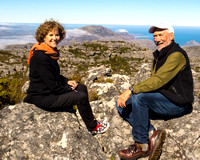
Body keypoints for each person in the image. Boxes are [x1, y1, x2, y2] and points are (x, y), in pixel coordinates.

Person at [116, 23, 194, 160]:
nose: (157, 39)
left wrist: (131, 90)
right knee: (122, 104)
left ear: (171, 36)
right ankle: (152, 133)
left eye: (160, 35)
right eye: (155, 36)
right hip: (163, 98)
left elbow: (158, 80)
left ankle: (142, 145)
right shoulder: (160, 54)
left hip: (178, 103)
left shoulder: (177, 55)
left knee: (139, 97)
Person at [24, 19, 109, 135]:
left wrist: (67, 81)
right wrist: (69, 90)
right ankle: (93, 127)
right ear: (43, 37)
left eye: (57, 35)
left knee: (82, 87)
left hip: (48, 92)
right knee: (81, 96)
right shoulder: (40, 57)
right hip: (43, 97)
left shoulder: (49, 53)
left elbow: (54, 76)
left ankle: (91, 121)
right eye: (51, 35)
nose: (55, 38)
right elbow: (53, 86)